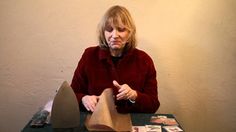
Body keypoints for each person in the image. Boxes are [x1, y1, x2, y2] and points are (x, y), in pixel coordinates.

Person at [71, 5, 160, 113]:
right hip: (96, 122)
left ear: (130, 33)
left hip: (131, 123)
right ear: (103, 33)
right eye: (109, 29)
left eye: (121, 30)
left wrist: (134, 95)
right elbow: (72, 95)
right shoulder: (89, 56)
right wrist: (83, 99)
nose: (114, 35)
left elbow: (153, 105)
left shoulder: (144, 60)